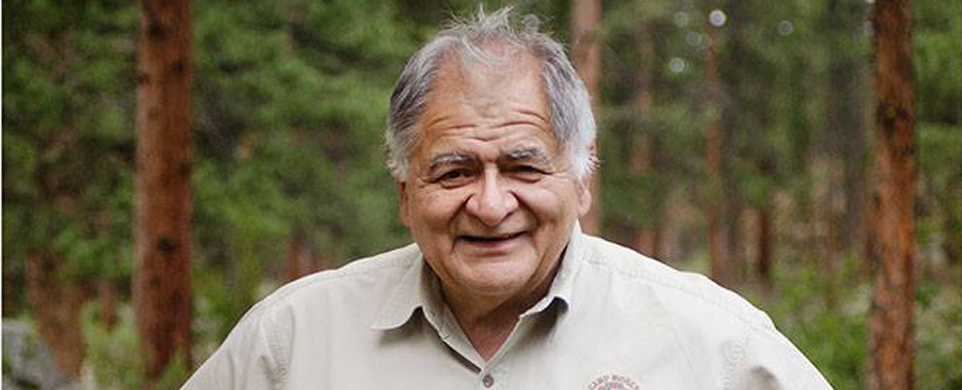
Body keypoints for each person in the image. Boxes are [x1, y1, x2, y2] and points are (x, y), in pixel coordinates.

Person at [183, 7, 831, 389]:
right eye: (455, 172)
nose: (491, 206)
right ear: (405, 193)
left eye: (523, 166)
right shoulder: (292, 341)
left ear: (581, 181)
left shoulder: (714, 345)